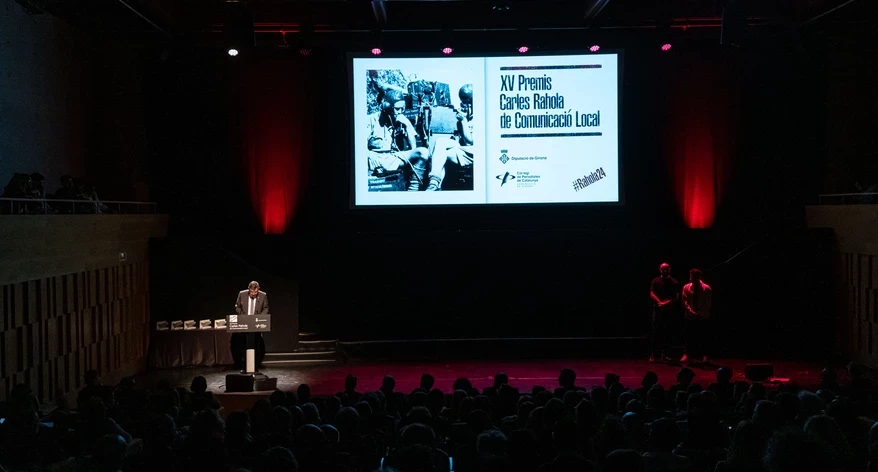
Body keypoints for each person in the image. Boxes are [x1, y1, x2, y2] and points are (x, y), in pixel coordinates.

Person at [367, 88, 433, 191]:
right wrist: (369, 155)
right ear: (387, 107)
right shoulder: (371, 120)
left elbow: (413, 148)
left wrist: (407, 125)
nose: (400, 112)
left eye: (403, 108)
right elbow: (357, 146)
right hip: (376, 159)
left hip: (393, 157)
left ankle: (413, 190)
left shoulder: (402, 121)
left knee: (423, 152)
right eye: (397, 109)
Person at [426, 84, 474, 191]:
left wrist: (463, 121)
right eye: (462, 101)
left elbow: (470, 141)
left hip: (474, 151)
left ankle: (436, 185)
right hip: (464, 149)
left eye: (466, 102)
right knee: (441, 142)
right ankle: (434, 183)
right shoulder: (469, 115)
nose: (463, 104)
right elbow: (462, 139)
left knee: (442, 156)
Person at [231, 281, 269, 371]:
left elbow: (266, 308)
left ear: (258, 290)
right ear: (249, 289)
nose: (253, 294)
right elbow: (237, 307)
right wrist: (245, 318)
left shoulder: (263, 295)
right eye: (251, 292)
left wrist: (257, 318)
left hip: (256, 326)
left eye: (255, 292)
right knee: (243, 346)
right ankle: (244, 367)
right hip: (244, 325)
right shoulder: (242, 294)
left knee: (256, 347)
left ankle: (255, 367)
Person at [649, 263, 679, 363]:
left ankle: (665, 354)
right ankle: (653, 354)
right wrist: (660, 303)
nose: (665, 270)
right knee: (655, 332)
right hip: (657, 311)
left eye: (666, 269)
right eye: (663, 269)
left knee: (668, 333)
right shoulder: (655, 281)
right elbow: (652, 293)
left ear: (670, 269)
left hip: (669, 311)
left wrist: (664, 304)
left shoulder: (674, 282)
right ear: (660, 269)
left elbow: (675, 297)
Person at [681, 268, 712, 364]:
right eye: (690, 276)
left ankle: (705, 356)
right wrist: (691, 312)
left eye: (693, 276)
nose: (691, 278)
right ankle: (686, 354)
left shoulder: (706, 288)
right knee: (688, 336)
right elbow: (685, 302)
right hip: (690, 316)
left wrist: (699, 314)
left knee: (704, 337)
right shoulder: (686, 287)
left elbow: (707, 304)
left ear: (698, 277)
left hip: (702, 317)